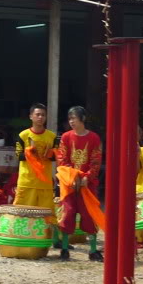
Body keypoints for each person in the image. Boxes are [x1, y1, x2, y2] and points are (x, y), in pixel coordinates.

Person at [55, 106, 104, 261]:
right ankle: (64, 248)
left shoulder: (94, 138)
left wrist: (86, 178)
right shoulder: (66, 137)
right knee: (68, 213)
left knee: (88, 215)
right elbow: (62, 160)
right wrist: (73, 177)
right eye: (69, 119)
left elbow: (96, 161)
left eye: (74, 118)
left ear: (82, 119)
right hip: (69, 183)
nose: (71, 122)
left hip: (87, 185)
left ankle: (93, 249)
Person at [12, 103, 56, 213]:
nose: (40, 117)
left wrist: (49, 154)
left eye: (43, 115)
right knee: (22, 213)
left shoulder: (52, 136)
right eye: (37, 114)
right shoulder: (23, 135)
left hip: (45, 183)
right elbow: (18, 155)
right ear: (31, 116)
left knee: (46, 215)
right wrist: (29, 152)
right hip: (27, 181)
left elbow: (56, 156)